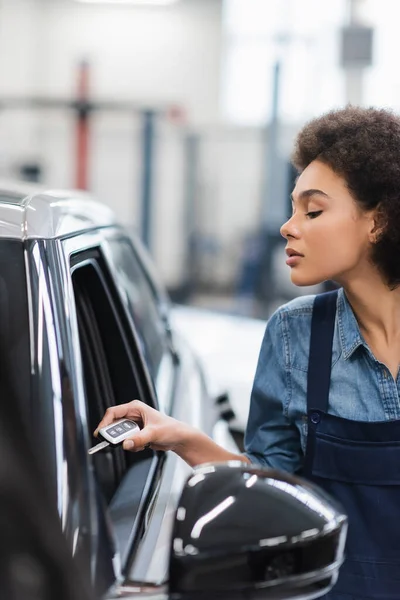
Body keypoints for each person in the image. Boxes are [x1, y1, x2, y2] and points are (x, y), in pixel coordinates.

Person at [95, 105, 400, 599]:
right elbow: (270, 490)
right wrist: (180, 437)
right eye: (293, 208)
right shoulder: (294, 335)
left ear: (379, 220)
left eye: (313, 210)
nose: (288, 226)